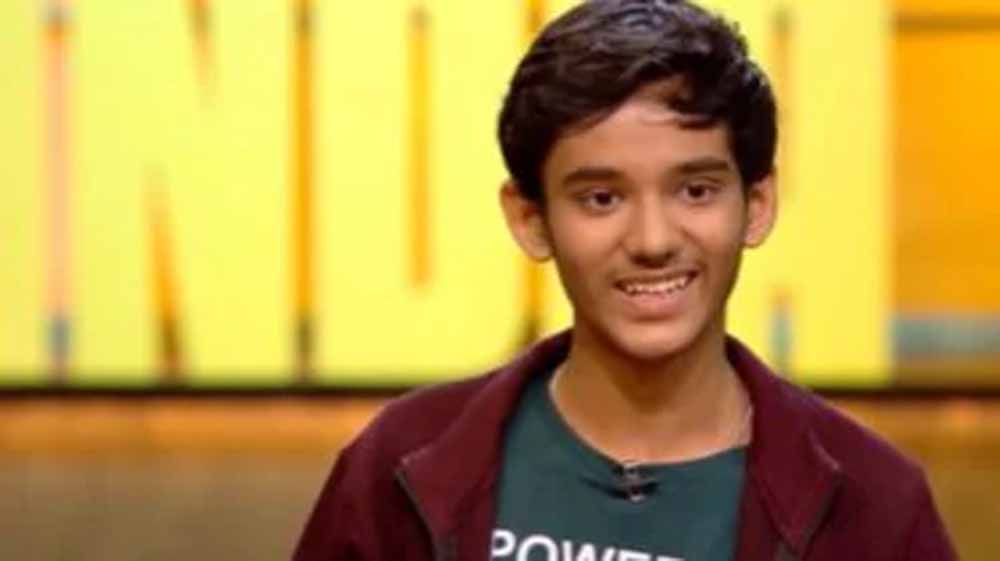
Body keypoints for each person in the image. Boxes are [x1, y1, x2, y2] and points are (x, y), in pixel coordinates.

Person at [292, 1, 957, 560]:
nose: (652, 241)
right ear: (531, 219)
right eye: (601, 199)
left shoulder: (877, 507)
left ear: (757, 204)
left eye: (695, 190)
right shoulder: (397, 467)